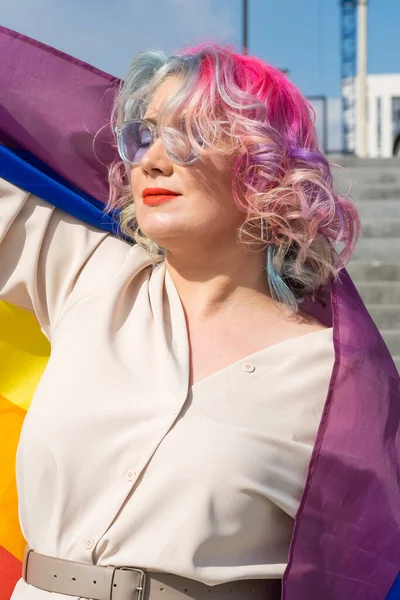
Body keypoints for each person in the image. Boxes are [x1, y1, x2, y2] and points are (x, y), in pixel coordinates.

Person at [1, 32, 399, 600]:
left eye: (191, 135)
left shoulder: (336, 388)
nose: (153, 161)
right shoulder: (90, 275)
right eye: (143, 137)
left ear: (265, 164)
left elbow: (360, 570)